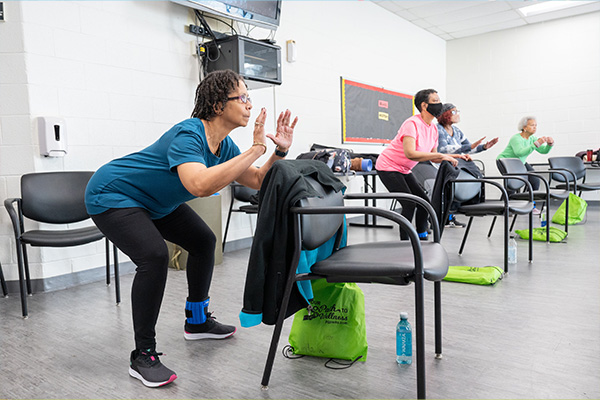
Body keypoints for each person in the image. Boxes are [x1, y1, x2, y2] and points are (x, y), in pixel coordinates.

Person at [85, 70, 297, 388]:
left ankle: (197, 322)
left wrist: (278, 152)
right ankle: (143, 355)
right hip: (113, 194)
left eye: (249, 98)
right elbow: (198, 185)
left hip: (155, 203)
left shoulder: (222, 145)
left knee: (202, 240)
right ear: (217, 105)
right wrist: (255, 149)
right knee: (154, 255)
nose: (250, 105)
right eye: (243, 97)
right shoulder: (189, 134)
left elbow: (255, 180)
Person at [376, 89, 471, 240]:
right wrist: (441, 155)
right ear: (424, 106)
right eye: (435, 101)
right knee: (409, 204)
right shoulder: (412, 124)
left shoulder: (433, 128)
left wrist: (454, 156)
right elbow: (410, 153)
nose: (439, 104)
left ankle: (422, 236)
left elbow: (433, 157)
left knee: (424, 203)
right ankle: (405, 242)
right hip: (388, 167)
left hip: (405, 169)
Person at [436, 103, 499, 227]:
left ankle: (451, 217)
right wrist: (467, 148)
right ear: (445, 114)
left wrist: (484, 147)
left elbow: (468, 148)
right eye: (454, 112)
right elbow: (443, 149)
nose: (457, 114)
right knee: (453, 186)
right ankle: (446, 217)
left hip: (457, 163)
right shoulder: (438, 129)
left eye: (457, 111)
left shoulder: (457, 131)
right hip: (442, 165)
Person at [496, 116, 554, 214]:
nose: (535, 127)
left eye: (536, 125)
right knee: (511, 185)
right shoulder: (516, 138)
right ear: (524, 127)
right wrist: (535, 144)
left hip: (519, 163)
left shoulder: (532, 138)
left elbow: (543, 151)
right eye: (532, 125)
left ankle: (530, 205)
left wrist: (549, 144)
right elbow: (520, 152)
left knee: (535, 180)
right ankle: (504, 208)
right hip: (505, 161)